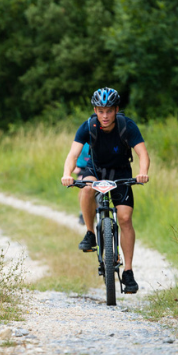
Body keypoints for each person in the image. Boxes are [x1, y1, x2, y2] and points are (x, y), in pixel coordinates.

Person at [61, 87, 150, 294]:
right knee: (86, 189)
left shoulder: (126, 126)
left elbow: (143, 154)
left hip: (121, 172)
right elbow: (73, 155)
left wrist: (143, 171)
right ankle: (91, 233)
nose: (105, 115)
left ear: (116, 109)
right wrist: (67, 174)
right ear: (95, 110)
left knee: (125, 218)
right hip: (96, 169)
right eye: (100, 111)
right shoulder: (88, 126)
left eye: (109, 110)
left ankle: (128, 271)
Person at [73, 143, 91, 225]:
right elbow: (73, 155)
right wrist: (75, 167)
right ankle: (82, 212)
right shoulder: (82, 140)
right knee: (83, 186)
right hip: (83, 168)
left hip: (96, 168)